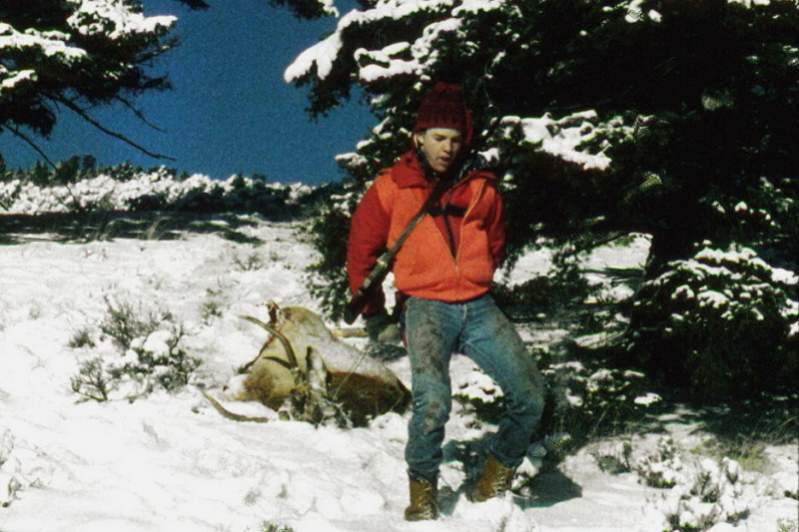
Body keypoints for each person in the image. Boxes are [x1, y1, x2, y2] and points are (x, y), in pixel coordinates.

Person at [346, 82, 545, 521]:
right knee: (433, 403)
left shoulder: (482, 188)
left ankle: (493, 478)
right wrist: (376, 314)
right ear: (418, 137)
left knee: (530, 396)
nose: (447, 148)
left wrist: (476, 273)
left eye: (455, 140)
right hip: (425, 306)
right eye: (438, 138)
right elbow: (361, 252)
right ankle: (423, 494)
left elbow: (495, 241)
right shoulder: (391, 186)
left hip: (477, 304)